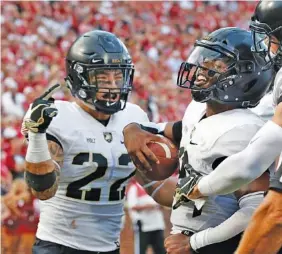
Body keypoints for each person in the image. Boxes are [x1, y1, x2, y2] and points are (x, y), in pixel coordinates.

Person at [123, 27, 274, 254]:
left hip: (218, 245)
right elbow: (169, 130)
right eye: (203, 62)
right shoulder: (197, 112)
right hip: (187, 234)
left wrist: (195, 242)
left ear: (243, 78)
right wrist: (132, 130)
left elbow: (254, 209)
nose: (201, 71)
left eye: (215, 66)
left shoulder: (243, 130)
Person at [22, 30, 152, 254]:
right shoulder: (59, 116)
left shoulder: (135, 116)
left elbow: (153, 182)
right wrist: (37, 137)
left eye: (118, 77)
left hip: (110, 247)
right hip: (59, 246)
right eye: (102, 78)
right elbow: (43, 191)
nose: (112, 86)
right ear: (79, 77)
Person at [126, 179, 166, 254]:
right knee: (141, 250)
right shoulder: (135, 188)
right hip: (143, 226)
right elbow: (132, 207)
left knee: (161, 250)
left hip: (157, 225)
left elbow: (163, 204)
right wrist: (148, 206)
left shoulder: (156, 186)